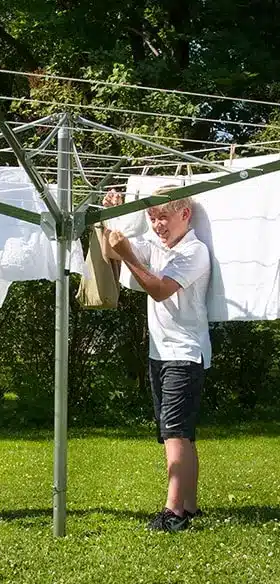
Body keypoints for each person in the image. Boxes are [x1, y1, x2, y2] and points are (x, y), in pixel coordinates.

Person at [100, 186, 211, 532]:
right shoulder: (158, 247)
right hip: (161, 353)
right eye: (152, 218)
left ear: (184, 214)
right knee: (183, 435)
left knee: (174, 433)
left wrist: (130, 257)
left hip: (184, 353)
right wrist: (110, 218)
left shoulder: (194, 251)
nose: (157, 224)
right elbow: (111, 253)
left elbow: (160, 290)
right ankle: (189, 507)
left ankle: (173, 513)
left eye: (163, 216)